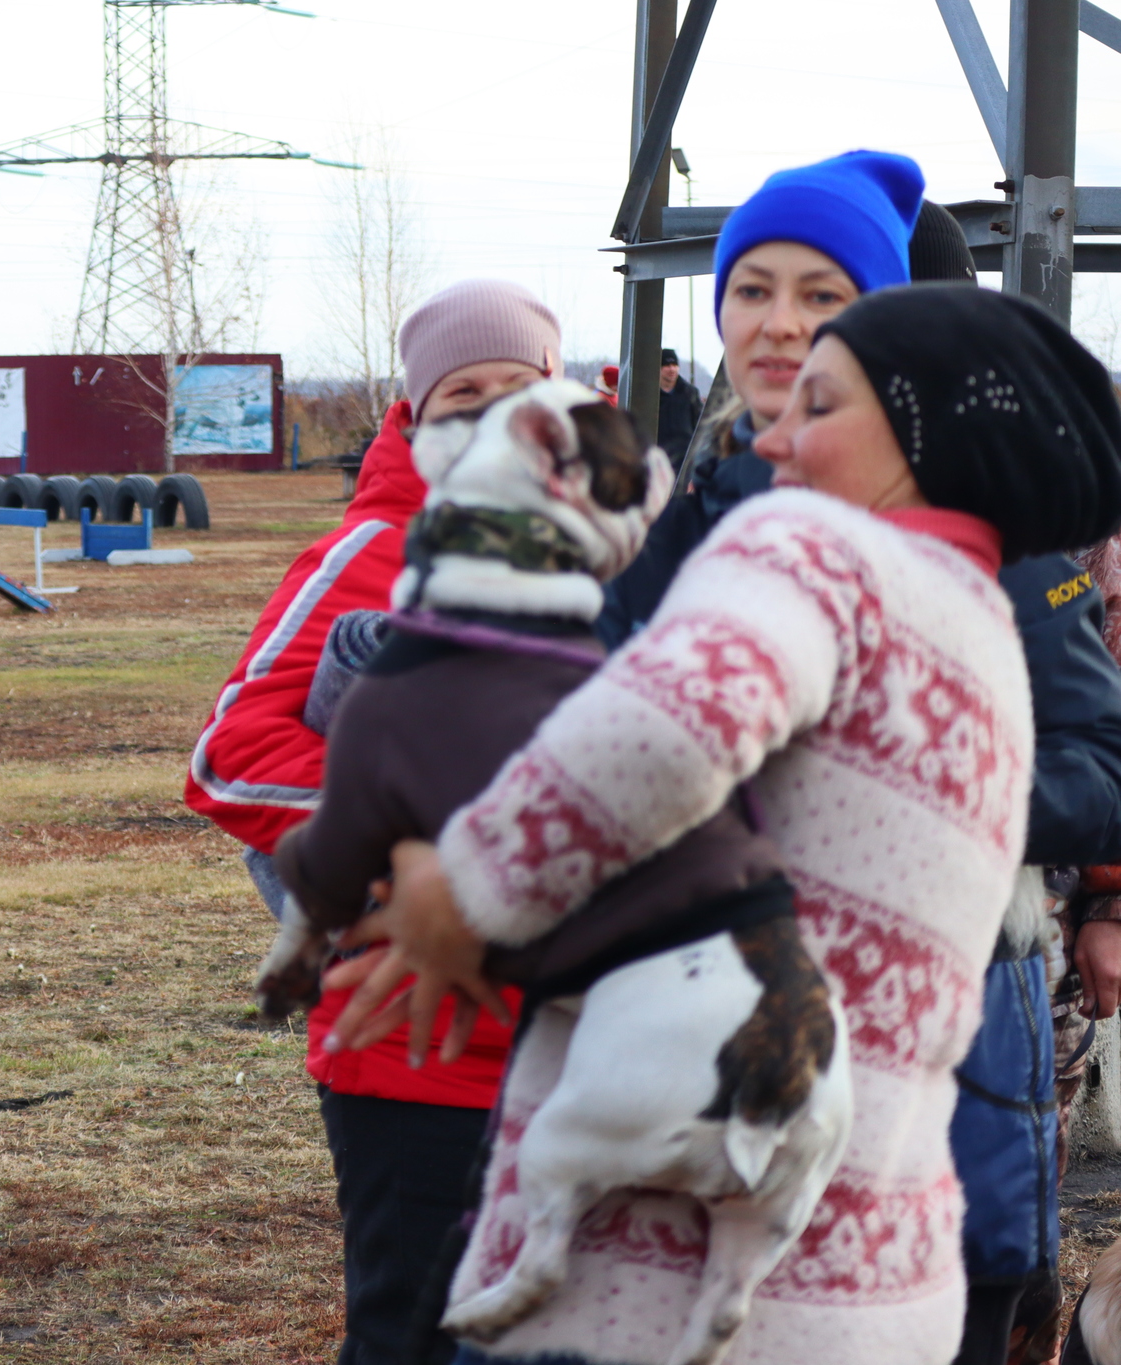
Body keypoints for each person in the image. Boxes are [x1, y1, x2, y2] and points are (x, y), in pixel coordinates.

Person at [325, 283, 1121, 1365]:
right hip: (875, 1268)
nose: (773, 436)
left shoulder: (810, 551)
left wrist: (459, 889)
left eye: (820, 407)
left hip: (654, 1278)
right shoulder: (978, 630)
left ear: (923, 431)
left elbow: (652, 740)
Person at [601, 154, 1121, 1365]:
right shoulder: (679, 528)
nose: (780, 327)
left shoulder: (994, 532)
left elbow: (1102, 775)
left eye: (823, 300)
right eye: (751, 290)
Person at [187, 278, 560, 1365]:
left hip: (579, 1042)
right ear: (411, 415)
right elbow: (227, 756)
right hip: (414, 1047)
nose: (489, 413)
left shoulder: (604, 547)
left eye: (514, 388)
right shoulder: (369, 555)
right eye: (460, 393)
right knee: (418, 1334)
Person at [654, 347, 702, 468]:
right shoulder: (651, 395)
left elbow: (699, 424)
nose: (672, 369)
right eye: (667, 365)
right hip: (659, 459)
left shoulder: (690, 393)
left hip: (685, 459)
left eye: (674, 365)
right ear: (658, 368)